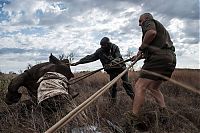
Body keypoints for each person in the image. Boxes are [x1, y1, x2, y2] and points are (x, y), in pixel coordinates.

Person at [126, 13, 176, 130]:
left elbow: (151, 33)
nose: (139, 24)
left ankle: (133, 119)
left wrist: (141, 48)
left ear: (146, 18)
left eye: (140, 21)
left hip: (159, 58)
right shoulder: (162, 33)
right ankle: (164, 114)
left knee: (139, 85)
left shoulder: (149, 22)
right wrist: (139, 56)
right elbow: (155, 47)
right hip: (170, 58)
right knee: (154, 88)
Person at [71, 37, 134, 102]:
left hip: (121, 69)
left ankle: (134, 99)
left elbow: (119, 58)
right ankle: (112, 102)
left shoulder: (115, 47)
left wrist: (110, 64)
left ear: (108, 44)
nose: (103, 47)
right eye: (102, 46)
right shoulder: (100, 51)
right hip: (112, 71)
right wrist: (78, 62)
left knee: (126, 84)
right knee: (112, 86)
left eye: (104, 46)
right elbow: (90, 57)